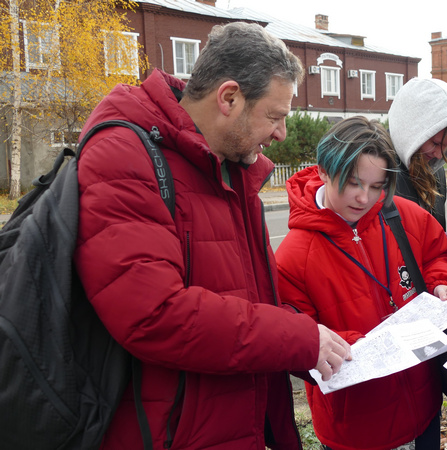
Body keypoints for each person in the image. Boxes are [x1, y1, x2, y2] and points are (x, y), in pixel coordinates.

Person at [73, 22, 351, 450]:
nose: (280, 133)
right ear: (229, 98)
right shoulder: (126, 156)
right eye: (274, 117)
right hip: (173, 432)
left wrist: (308, 339)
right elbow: (154, 314)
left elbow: (247, 297)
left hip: (236, 420)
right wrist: (293, 338)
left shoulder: (230, 166)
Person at [276, 116, 447, 450]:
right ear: (322, 171)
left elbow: (437, 254)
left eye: (376, 186)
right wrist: (363, 346)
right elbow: (298, 339)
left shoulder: (402, 214)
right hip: (356, 426)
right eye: (353, 183)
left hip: (422, 407)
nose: (364, 198)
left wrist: (440, 283)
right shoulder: (294, 255)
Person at [388, 77, 447, 229]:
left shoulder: (436, 172)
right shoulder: (378, 172)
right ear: (411, 130)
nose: (438, 155)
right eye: (435, 143)